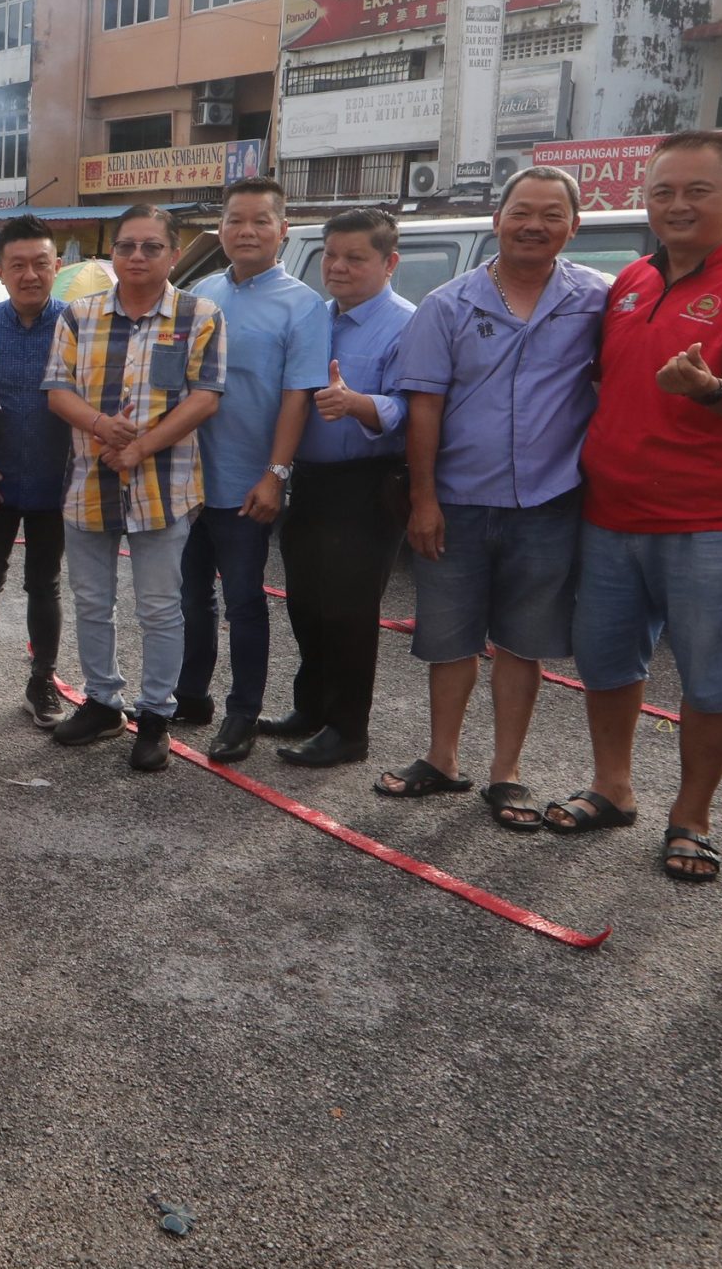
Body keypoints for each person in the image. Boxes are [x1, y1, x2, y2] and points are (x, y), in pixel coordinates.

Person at [558, 131, 722, 883]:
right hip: (611, 513)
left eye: (697, 190)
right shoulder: (632, 279)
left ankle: (692, 818)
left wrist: (706, 387)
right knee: (606, 662)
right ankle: (613, 787)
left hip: (716, 521)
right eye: (663, 190)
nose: (677, 205)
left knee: (713, 677)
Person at [379, 167, 606, 825]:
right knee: (448, 639)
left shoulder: (597, 301)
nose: (534, 225)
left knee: (522, 642)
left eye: (551, 214)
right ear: (497, 218)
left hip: (549, 504)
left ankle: (507, 773)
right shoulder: (447, 306)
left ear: (573, 226)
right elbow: (424, 409)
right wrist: (424, 501)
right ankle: (442, 757)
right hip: (459, 502)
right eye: (521, 212)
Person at [42, 205, 227, 772]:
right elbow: (56, 389)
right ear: (113, 254)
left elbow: (206, 395)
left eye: (151, 247)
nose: (137, 257)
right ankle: (102, 702)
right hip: (89, 480)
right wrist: (101, 425)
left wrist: (141, 446)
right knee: (93, 601)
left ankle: (155, 714)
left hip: (162, 484)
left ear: (174, 253)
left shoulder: (200, 314)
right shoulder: (79, 314)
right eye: (126, 247)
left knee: (159, 606)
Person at [175, 177, 329, 763]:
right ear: (220, 229)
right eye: (235, 220)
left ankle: (242, 712)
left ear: (282, 231)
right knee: (189, 598)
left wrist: (276, 473)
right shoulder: (203, 292)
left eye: (260, 221)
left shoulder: (302, 305)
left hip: (247, 482)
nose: (246, 231)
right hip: (187, 478)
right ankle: (190, 696)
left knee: (243, 601)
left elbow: (298, 396)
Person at [268, 209, 416, 768]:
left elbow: (414, 408)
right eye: (331, 254)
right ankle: (311, 708)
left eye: (356, 257)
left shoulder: (407, 324)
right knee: (305, 602)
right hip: (309, 482)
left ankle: (349, 730)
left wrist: (358, 404)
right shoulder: (314, 317)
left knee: (349, 612)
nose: (338, 267)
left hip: (367, 487)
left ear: (389, 262)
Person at [0, 215, 72, 730]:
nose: (30, 275)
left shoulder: (78, 323)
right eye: (18, 266)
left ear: (58, 267)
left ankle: (41, 679)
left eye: (40, 264)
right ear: (0, 271)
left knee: (45, 585)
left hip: (57, 483)